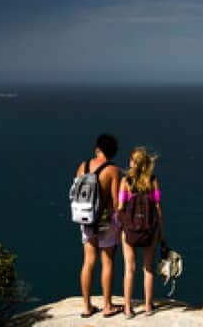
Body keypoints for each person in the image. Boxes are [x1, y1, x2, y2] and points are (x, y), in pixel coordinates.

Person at [76, 133, 124, 318]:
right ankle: (107, 306)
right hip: (104, 217)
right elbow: (114, 202)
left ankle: (87, 307)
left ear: (98, 149)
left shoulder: (83, 166)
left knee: (88, 261)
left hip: (85, 217)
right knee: (108, 261)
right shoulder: (112, 170)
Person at [118, 146, 164, 317]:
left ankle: (128, 309)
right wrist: (160, 232)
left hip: (129, 231)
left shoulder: (125, 182)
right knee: (148, 269)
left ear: (133, 162)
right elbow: (158, 207)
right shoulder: (153, 181)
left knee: (129, 269)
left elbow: (120, 207)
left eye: (131, 159)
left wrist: (122, 225)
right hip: (149, 230)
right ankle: (147, 307)